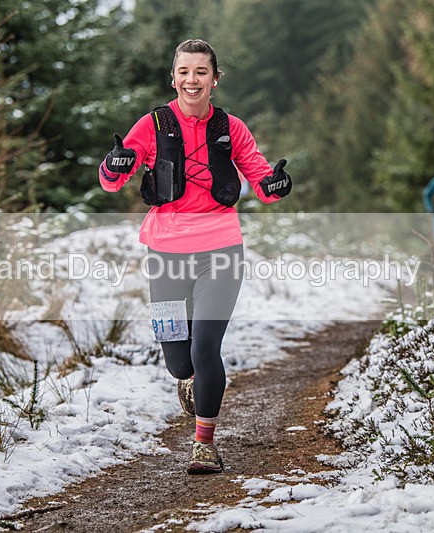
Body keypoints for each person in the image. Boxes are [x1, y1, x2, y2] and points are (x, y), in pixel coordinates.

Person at [98, 39, 292, 474]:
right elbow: (112, 180)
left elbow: (260, 178)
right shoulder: (152, 125)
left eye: (201, 72)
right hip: (165, 253)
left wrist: (274, 186)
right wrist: (116, 162)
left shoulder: (231, 127)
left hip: (220, 250)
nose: (192, 80)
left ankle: (204, 442)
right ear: (174, 78)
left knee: (206, 348)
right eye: (184, 71)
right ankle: (188, 380)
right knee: (179, 361)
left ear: (214, 80)